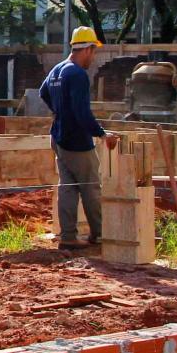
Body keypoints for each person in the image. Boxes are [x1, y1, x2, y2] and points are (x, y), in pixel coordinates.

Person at [39, 26, 119, 250]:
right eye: (94, 52)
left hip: (59, 137)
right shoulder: (77, 74)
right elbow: (82, 113)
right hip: (76, 141)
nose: (93, 58)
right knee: (91, 187)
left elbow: (43, 92)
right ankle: (99, 234)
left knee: (68, 187)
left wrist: (58, 111)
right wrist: (102, 134)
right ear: (87, 49)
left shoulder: (57, 70)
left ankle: (68, 236)